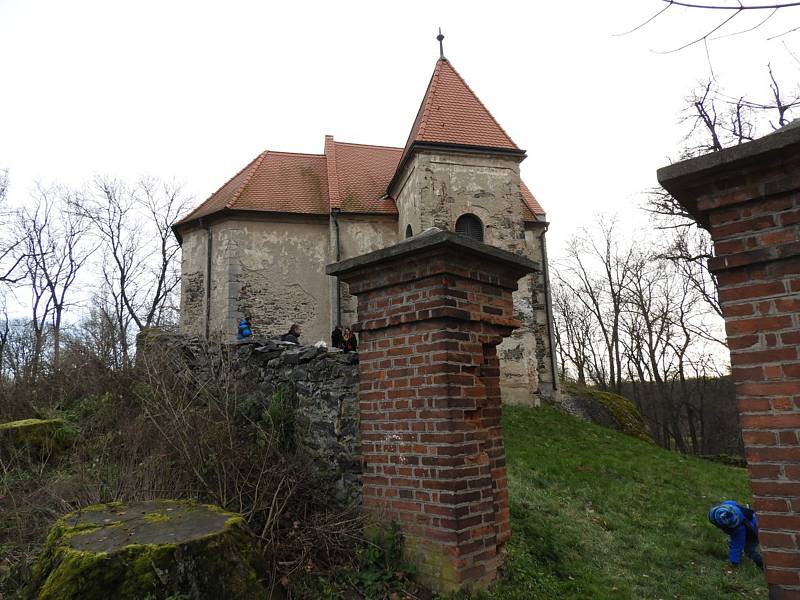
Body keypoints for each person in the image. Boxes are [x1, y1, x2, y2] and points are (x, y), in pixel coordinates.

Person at [708, 500, 764, 569]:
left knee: (749, 550)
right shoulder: (729, 506)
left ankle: (762, 564)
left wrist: (734, 562)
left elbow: (737, 545)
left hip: (755, 532)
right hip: (755, 518)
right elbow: (731, 502)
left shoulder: (739, 529)